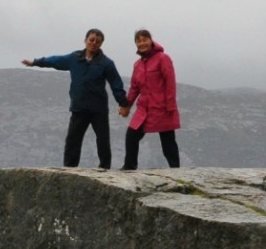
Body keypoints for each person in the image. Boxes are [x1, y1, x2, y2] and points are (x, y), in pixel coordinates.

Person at [22, 30, 130, 168]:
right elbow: (55, 60)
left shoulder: (106, 63)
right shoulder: (75, 58)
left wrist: (123, 103)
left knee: (103, 141)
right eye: (91, 40)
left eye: (98, 41)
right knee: (73, 140)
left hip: (99, 109)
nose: (94, 43)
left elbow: (116, 84)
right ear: (85, 40)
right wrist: (36, 62)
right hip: (79, 107)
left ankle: (104, 168)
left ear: (101, 44)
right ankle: (69, 169)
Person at [122, 29, 180, 170]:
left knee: (167, 140)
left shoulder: (163, 58)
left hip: (162, 107)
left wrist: (170, 106)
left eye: (144, 39)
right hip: (144, 108)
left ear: (151, 40)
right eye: (138, 40)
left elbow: (170, 83)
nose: (142, 43)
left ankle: (176, 170)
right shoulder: (138, 64)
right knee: (131, 135)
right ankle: (129, 167)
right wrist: (126, 105)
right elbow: (134, 88)